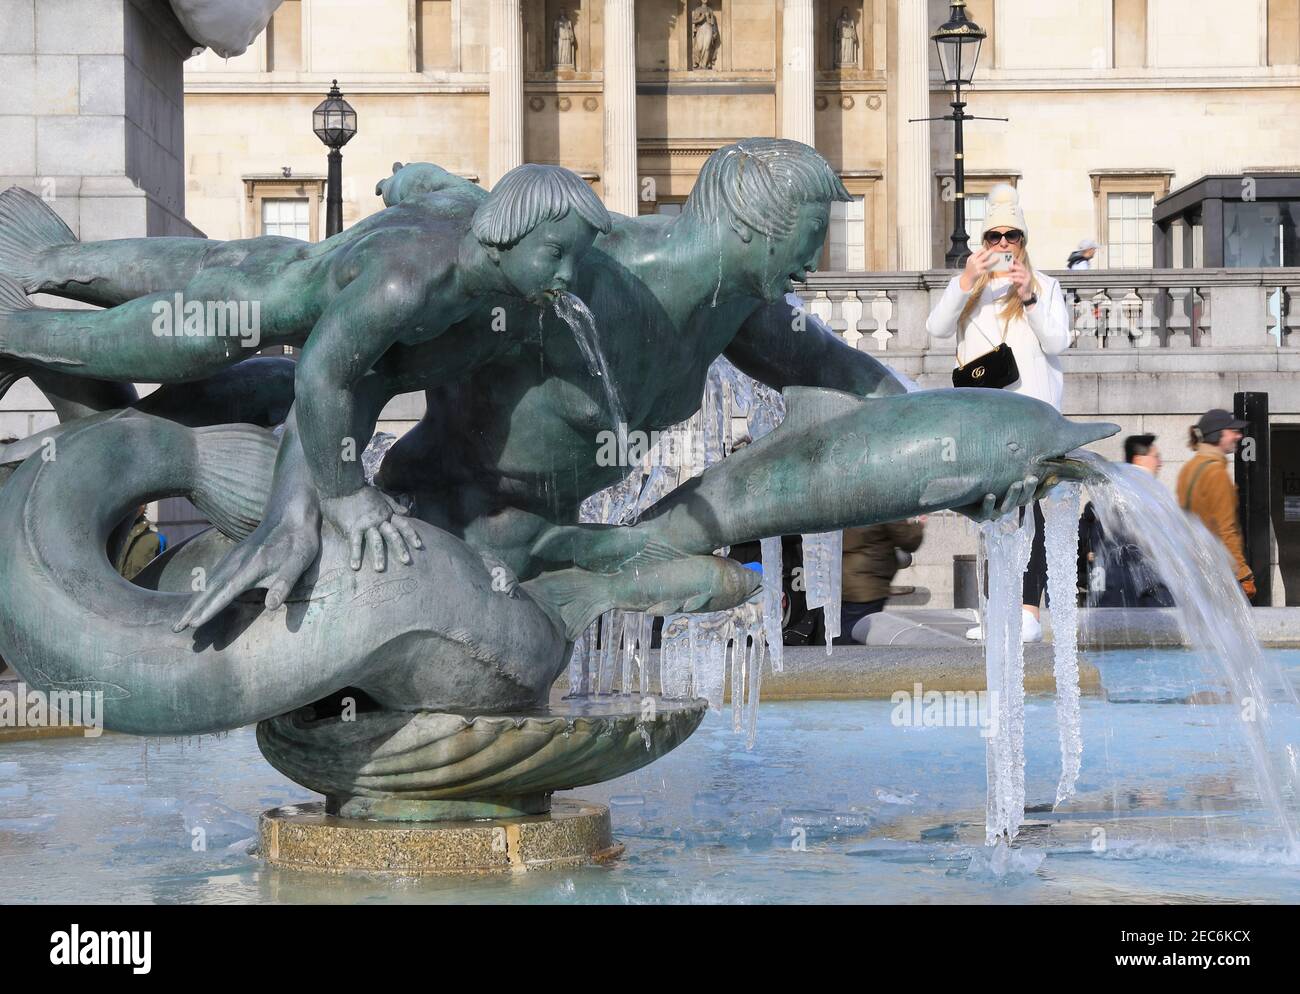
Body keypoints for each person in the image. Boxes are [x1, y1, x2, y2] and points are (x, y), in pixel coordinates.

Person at [0, 162, 611, 574]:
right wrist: (345, 495)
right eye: (556, 255)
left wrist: (399, 180)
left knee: (60, 264)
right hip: (219, 323)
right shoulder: (411, 284)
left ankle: (34, 258)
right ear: (510, 231)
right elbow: (322, 375)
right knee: (69, 340)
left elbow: (423, 182)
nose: (567, 278)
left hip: (264, 260)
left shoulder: (469, 205)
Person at [926, 183, 1072, 643]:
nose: (1003, 245)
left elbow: (1059, 343)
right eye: (994, 237)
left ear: (1023, 241)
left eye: (1011, 236)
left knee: (1032, 512)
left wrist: (1028, 296)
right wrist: (966, 280)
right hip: (985, 418)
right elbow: (934, 329)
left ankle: (1028, 610)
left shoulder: (1046, 286)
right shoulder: (970, 289)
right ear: (982, 243)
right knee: (991, 512)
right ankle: (996, 609)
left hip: (1032, 417)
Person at [1078, 434, 1173, 607]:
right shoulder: (1137, 503)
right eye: (1156, 456)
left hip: (1109, 597)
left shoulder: (1111, 499)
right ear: (1139, 459)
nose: (1160, 463)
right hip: (1127, 597)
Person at [1176, 408, 1256, 601]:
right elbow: (1225, 529)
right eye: (1233, 431)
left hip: (1195, 568)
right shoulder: (1216, 473)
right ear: (1218, 435)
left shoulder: (1189, 468)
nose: (1238, 436)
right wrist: (1243, 574)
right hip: (1218, 572)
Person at [839, 517, 925, 644]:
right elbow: (908, 540)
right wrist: (918, 525)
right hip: (868, 586)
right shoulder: (881, 506)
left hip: (844, 582)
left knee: (846, 634)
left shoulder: (845, 504)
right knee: (856, 638)